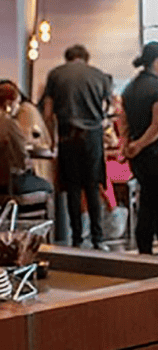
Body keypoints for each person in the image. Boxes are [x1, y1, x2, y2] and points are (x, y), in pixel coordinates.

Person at [41, 44, 112, 249]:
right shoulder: (99, 75)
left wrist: (52, 140)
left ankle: (77, 238)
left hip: (67, 136)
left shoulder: (55, 74)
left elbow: (48, 113)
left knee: (72, 188)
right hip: (92, 137)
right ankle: (98, 238)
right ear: (85, 58)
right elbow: (107, 109)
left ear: (68, 58)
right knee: (92, 187)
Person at [0, 82, 53, 196]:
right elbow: (22, 158)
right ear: (9, 104)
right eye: (17, 103)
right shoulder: (9, 124)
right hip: (11, 183)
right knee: (48, 186)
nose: (18, 107)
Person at [120, 41, 158, 254]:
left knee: (147, 200)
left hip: (139, 158)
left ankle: (144, 249)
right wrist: (141, 144)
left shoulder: (129, 88)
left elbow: (123, 122)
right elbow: (157, 126)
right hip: (154, 152)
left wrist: (128, 145)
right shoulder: (156, 87)